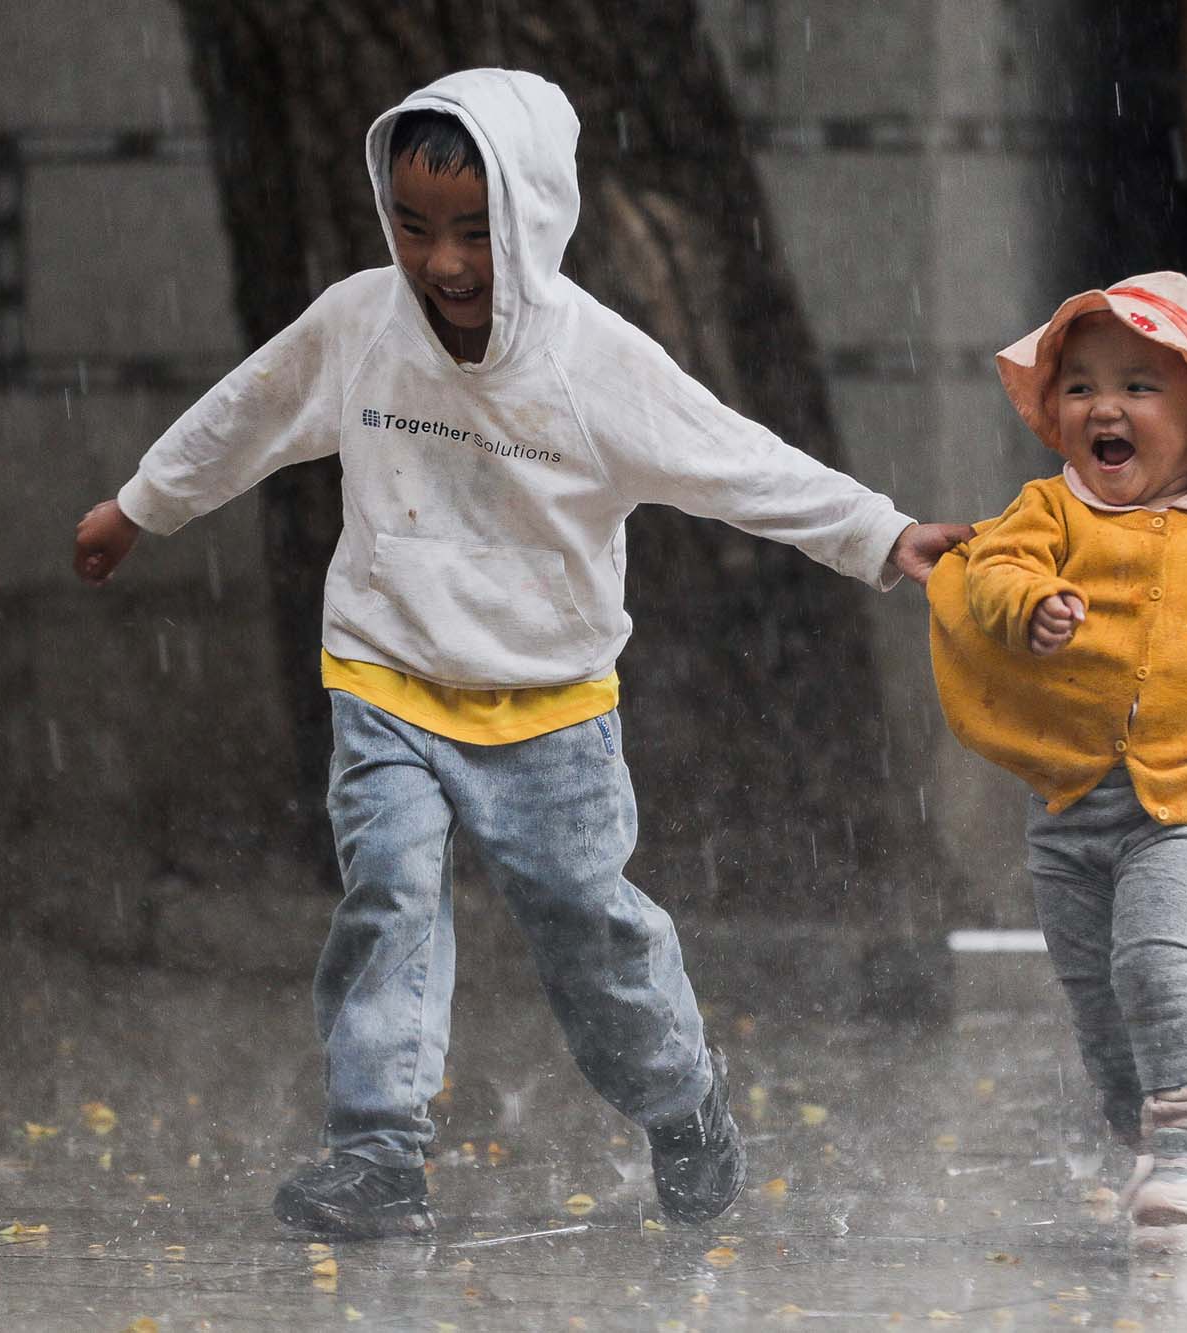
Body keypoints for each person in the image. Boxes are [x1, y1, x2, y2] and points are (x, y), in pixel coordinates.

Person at [72, 68, 968, 1240]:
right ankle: (378, 1155)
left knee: (591, 933)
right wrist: (143, 504)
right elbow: (247, 410)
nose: (442, 263)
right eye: (414, 226)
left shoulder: (594, 361)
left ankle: (681, 1100)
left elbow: (739, 460)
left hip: (550, 705)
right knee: (389, 902)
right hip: (384, 676)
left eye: (474, 231)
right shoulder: (359, 325)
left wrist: (883, 533)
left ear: (535, 218)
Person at [925, 273, 1187, 1252]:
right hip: (1066, 807)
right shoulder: (1048, 509)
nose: (1102, 406)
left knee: (1154, 964)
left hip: (1182, 803)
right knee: (1093, 995)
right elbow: (988, 565)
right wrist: (1026, 603)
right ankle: (1141, 1126)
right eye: (1077, 387)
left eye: (1136, 386)